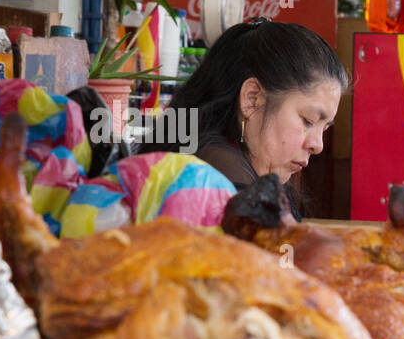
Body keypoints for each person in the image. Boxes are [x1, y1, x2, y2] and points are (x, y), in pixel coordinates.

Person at [140, 19, 345, 218]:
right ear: (252, 98)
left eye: (324, 128)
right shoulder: (223, 180)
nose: (317, 145)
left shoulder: (224, 160)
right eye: (307, 121)